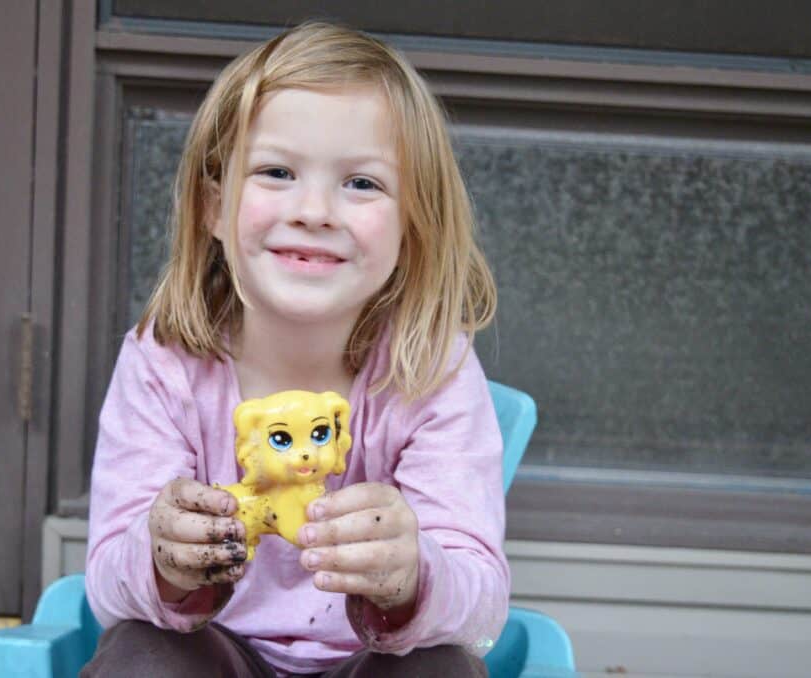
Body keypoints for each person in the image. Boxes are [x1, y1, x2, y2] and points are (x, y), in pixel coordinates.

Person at [82, 21, 507, 677]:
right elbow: (108, 588)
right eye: (277, 172)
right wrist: (162, 556)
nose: (314, 210)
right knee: (142, 655)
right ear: (213, 208)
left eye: (361, 183)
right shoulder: (165, 361)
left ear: (413, 229)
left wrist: (414, 571)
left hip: (371, 659)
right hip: (214, 653)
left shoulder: (433, 373)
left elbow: (480, 609)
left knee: (442, 667)